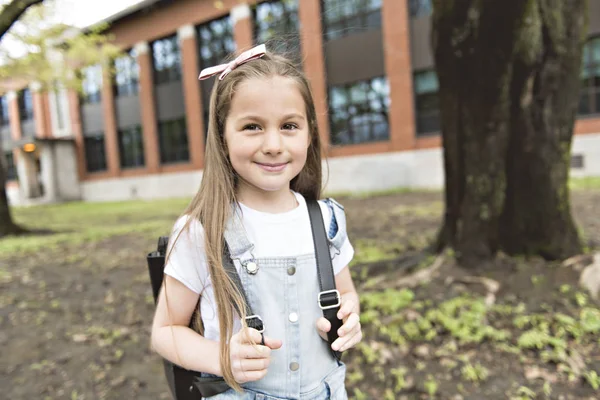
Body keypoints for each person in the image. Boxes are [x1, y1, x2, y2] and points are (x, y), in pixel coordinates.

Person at [150, 44, 362, 400]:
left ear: (309, 133)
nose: (274, 144)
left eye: (289, 126)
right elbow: (165, 331)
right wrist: (221, 357)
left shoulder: (326, 220)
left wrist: (349, 317)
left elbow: (347, 293)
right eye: (252, 127)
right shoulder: (203, 230)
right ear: (222, 136)